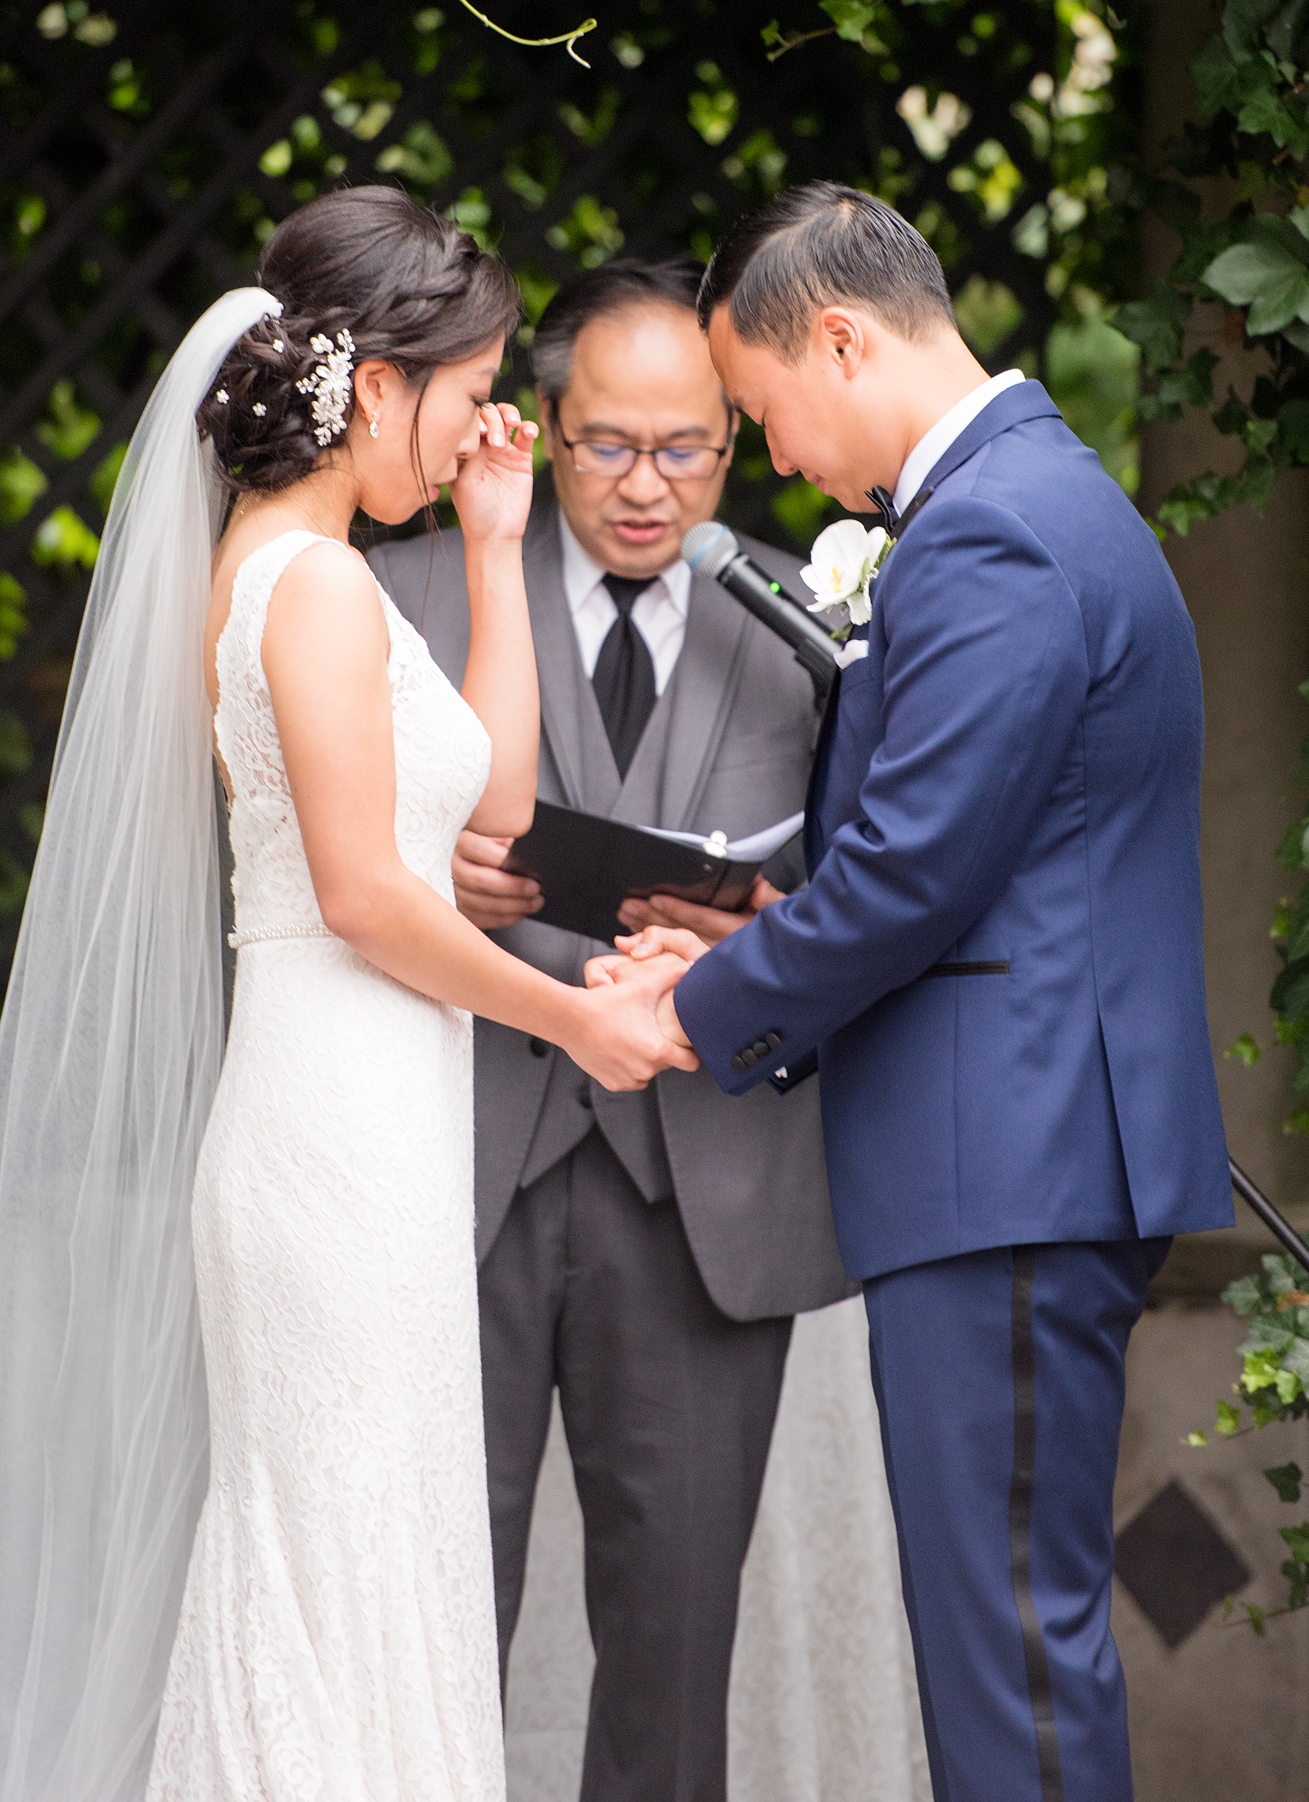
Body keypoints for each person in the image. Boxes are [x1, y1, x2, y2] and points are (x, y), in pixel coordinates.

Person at [0, 188, 691, 1802]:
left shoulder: (318, 573)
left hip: (369, 1123)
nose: (479, 433)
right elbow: (366, 896)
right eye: (466, 399)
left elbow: (494, 816)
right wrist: (578, 1018)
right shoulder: (307, 588)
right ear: (375, 391)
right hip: (329, 1131)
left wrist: (495, 545)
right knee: (333, 1558)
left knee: (365, 1548)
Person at [609, 184, 1234, 1802]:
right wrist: (759, 927)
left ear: (840, 336)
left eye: (760, 414)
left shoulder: (995, 529)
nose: (782, 462)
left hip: (1008, 1161)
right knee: (1004, 1626)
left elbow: (916, 873)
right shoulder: (1030, 504)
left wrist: (696, 1009)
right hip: (1012, 1145)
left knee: (1008, 1640)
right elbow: (981, 856)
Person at [371, 258, 854, 1802]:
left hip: (703, 1178)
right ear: (542, 426)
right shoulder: (404, 590)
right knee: (425, 1624)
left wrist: (769, 926)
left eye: (689, 450)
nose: (648, 488)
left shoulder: (811, 625)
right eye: (608, 447)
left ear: (736, 438)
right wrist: (413, 860)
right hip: (460, 1169)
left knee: (676, 1646)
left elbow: (875, 889)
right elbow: (303, 853)